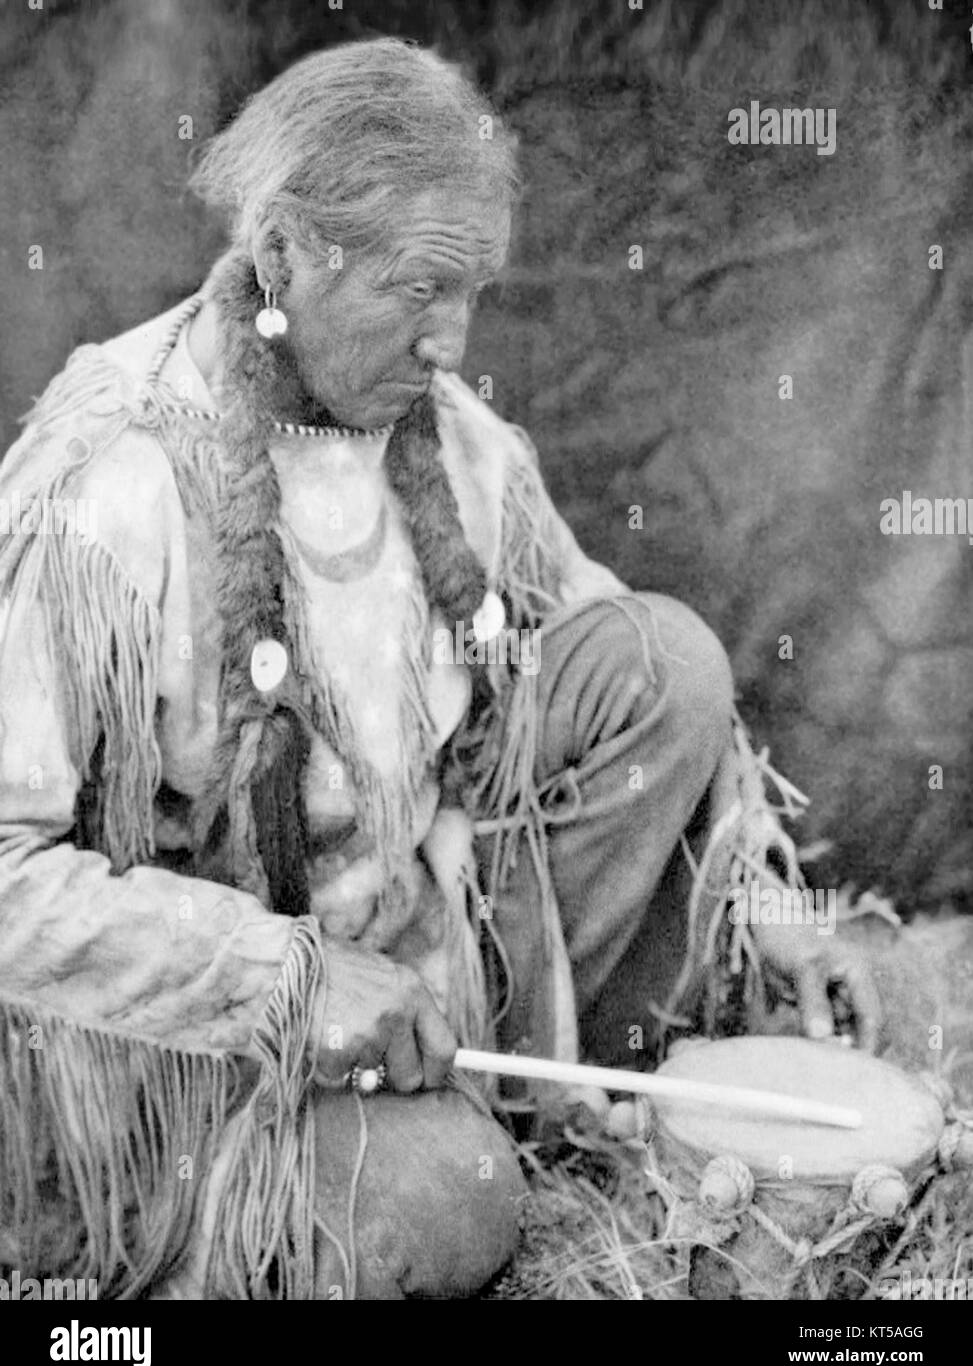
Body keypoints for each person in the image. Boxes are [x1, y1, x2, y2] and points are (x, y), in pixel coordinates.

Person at [0, 37, 879, 1300]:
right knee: (452, 1205)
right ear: (286, 252)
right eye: (417, 289)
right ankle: (225, 1200)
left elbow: (586, 621)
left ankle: (501, 1074)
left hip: (413, 943)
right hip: (185, 1041)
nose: (449, 341)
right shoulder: (109, 485)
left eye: (470, 292)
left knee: (663, 663)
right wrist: (284, 982)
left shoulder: (448, 438)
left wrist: (771, 897)